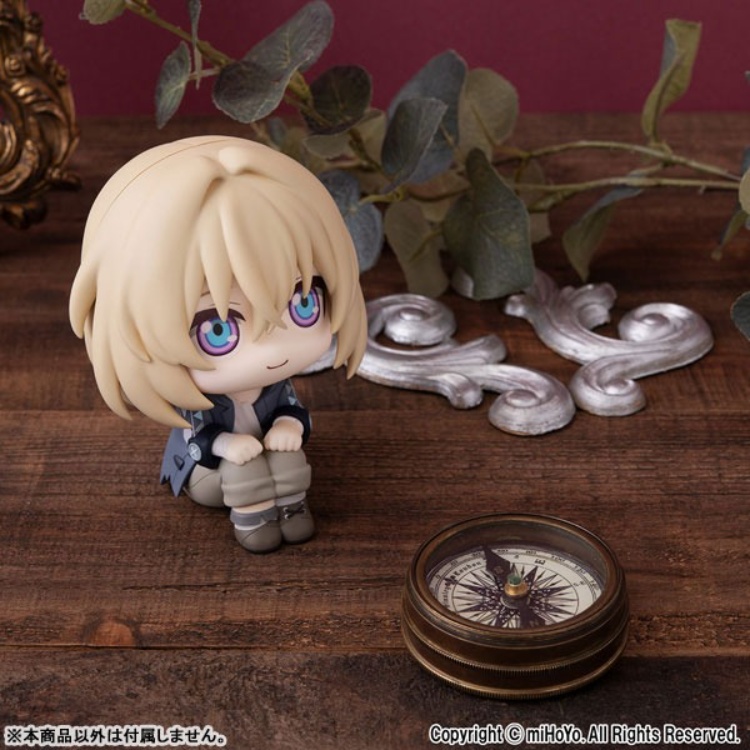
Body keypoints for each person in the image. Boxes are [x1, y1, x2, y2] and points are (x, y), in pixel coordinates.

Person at [69, 136, 368, 552]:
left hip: (269, 459)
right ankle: (254, 521)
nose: (271, 351)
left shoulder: (274, 385)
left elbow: (291, 410)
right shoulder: (198, 402)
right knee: (244, 470)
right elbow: (198, 439)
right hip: (209, 474)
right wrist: (229, 444)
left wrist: (289, 426)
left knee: (288, 458)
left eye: (304, 303)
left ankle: (292, 510)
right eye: (218, 331)